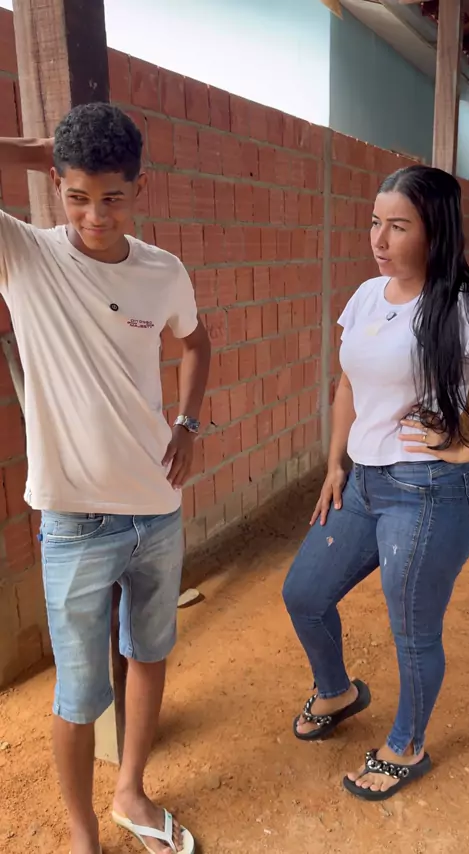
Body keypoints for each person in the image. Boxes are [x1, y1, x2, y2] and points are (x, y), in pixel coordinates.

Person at [0, 103, 211, 853]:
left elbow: (197, 343)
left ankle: (130, 792)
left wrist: (187, 423)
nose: (95, 215)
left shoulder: (163, 271)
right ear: (57, 185)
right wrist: (44, 152)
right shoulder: (25, 255)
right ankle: (83, 835)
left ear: (140, 188)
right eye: (77, 195)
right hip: (76, 520)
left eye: (113, 196)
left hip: (157, 508)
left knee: (148, 654)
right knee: (79, 692)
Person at [283, 164, 469, 802]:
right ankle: (337, 691)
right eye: (375, 222)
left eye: (398, 226)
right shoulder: (368, 295)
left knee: (412, 630)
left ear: (435, 232)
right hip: (362, 483)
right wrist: (334, 462)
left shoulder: (463, 304)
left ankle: (407, 745)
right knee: (304, 594)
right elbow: (347, 384)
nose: (379, 238)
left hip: (429, 491)